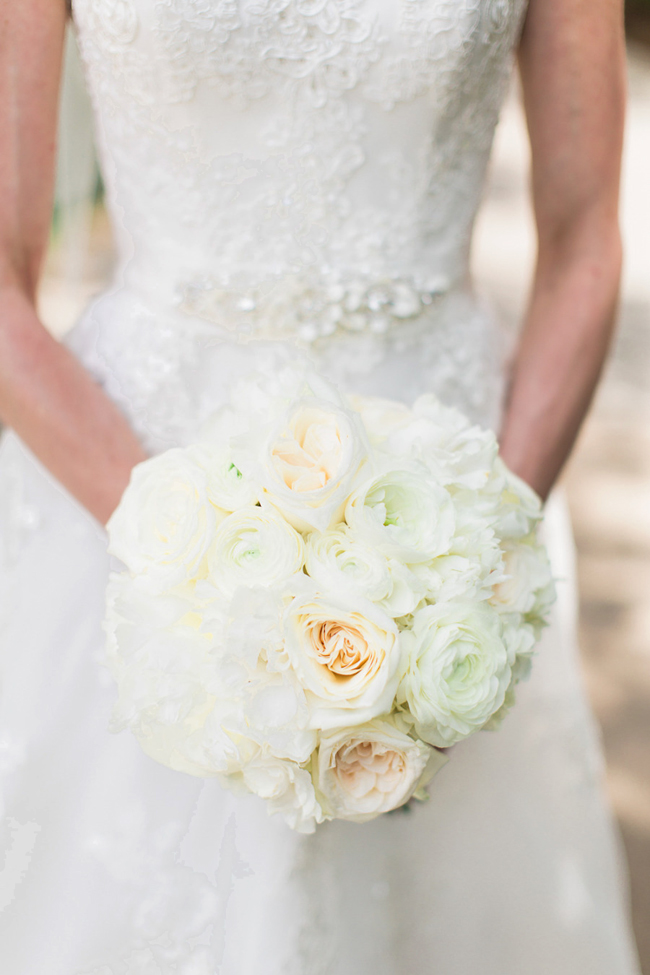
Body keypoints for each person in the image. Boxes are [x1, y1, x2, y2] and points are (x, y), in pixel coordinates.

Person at [0, 0, 641, 972]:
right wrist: (184, 557)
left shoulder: (466, 549)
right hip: (124, 485)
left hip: (446, 506)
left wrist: (474, 557)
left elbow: (586, 240)